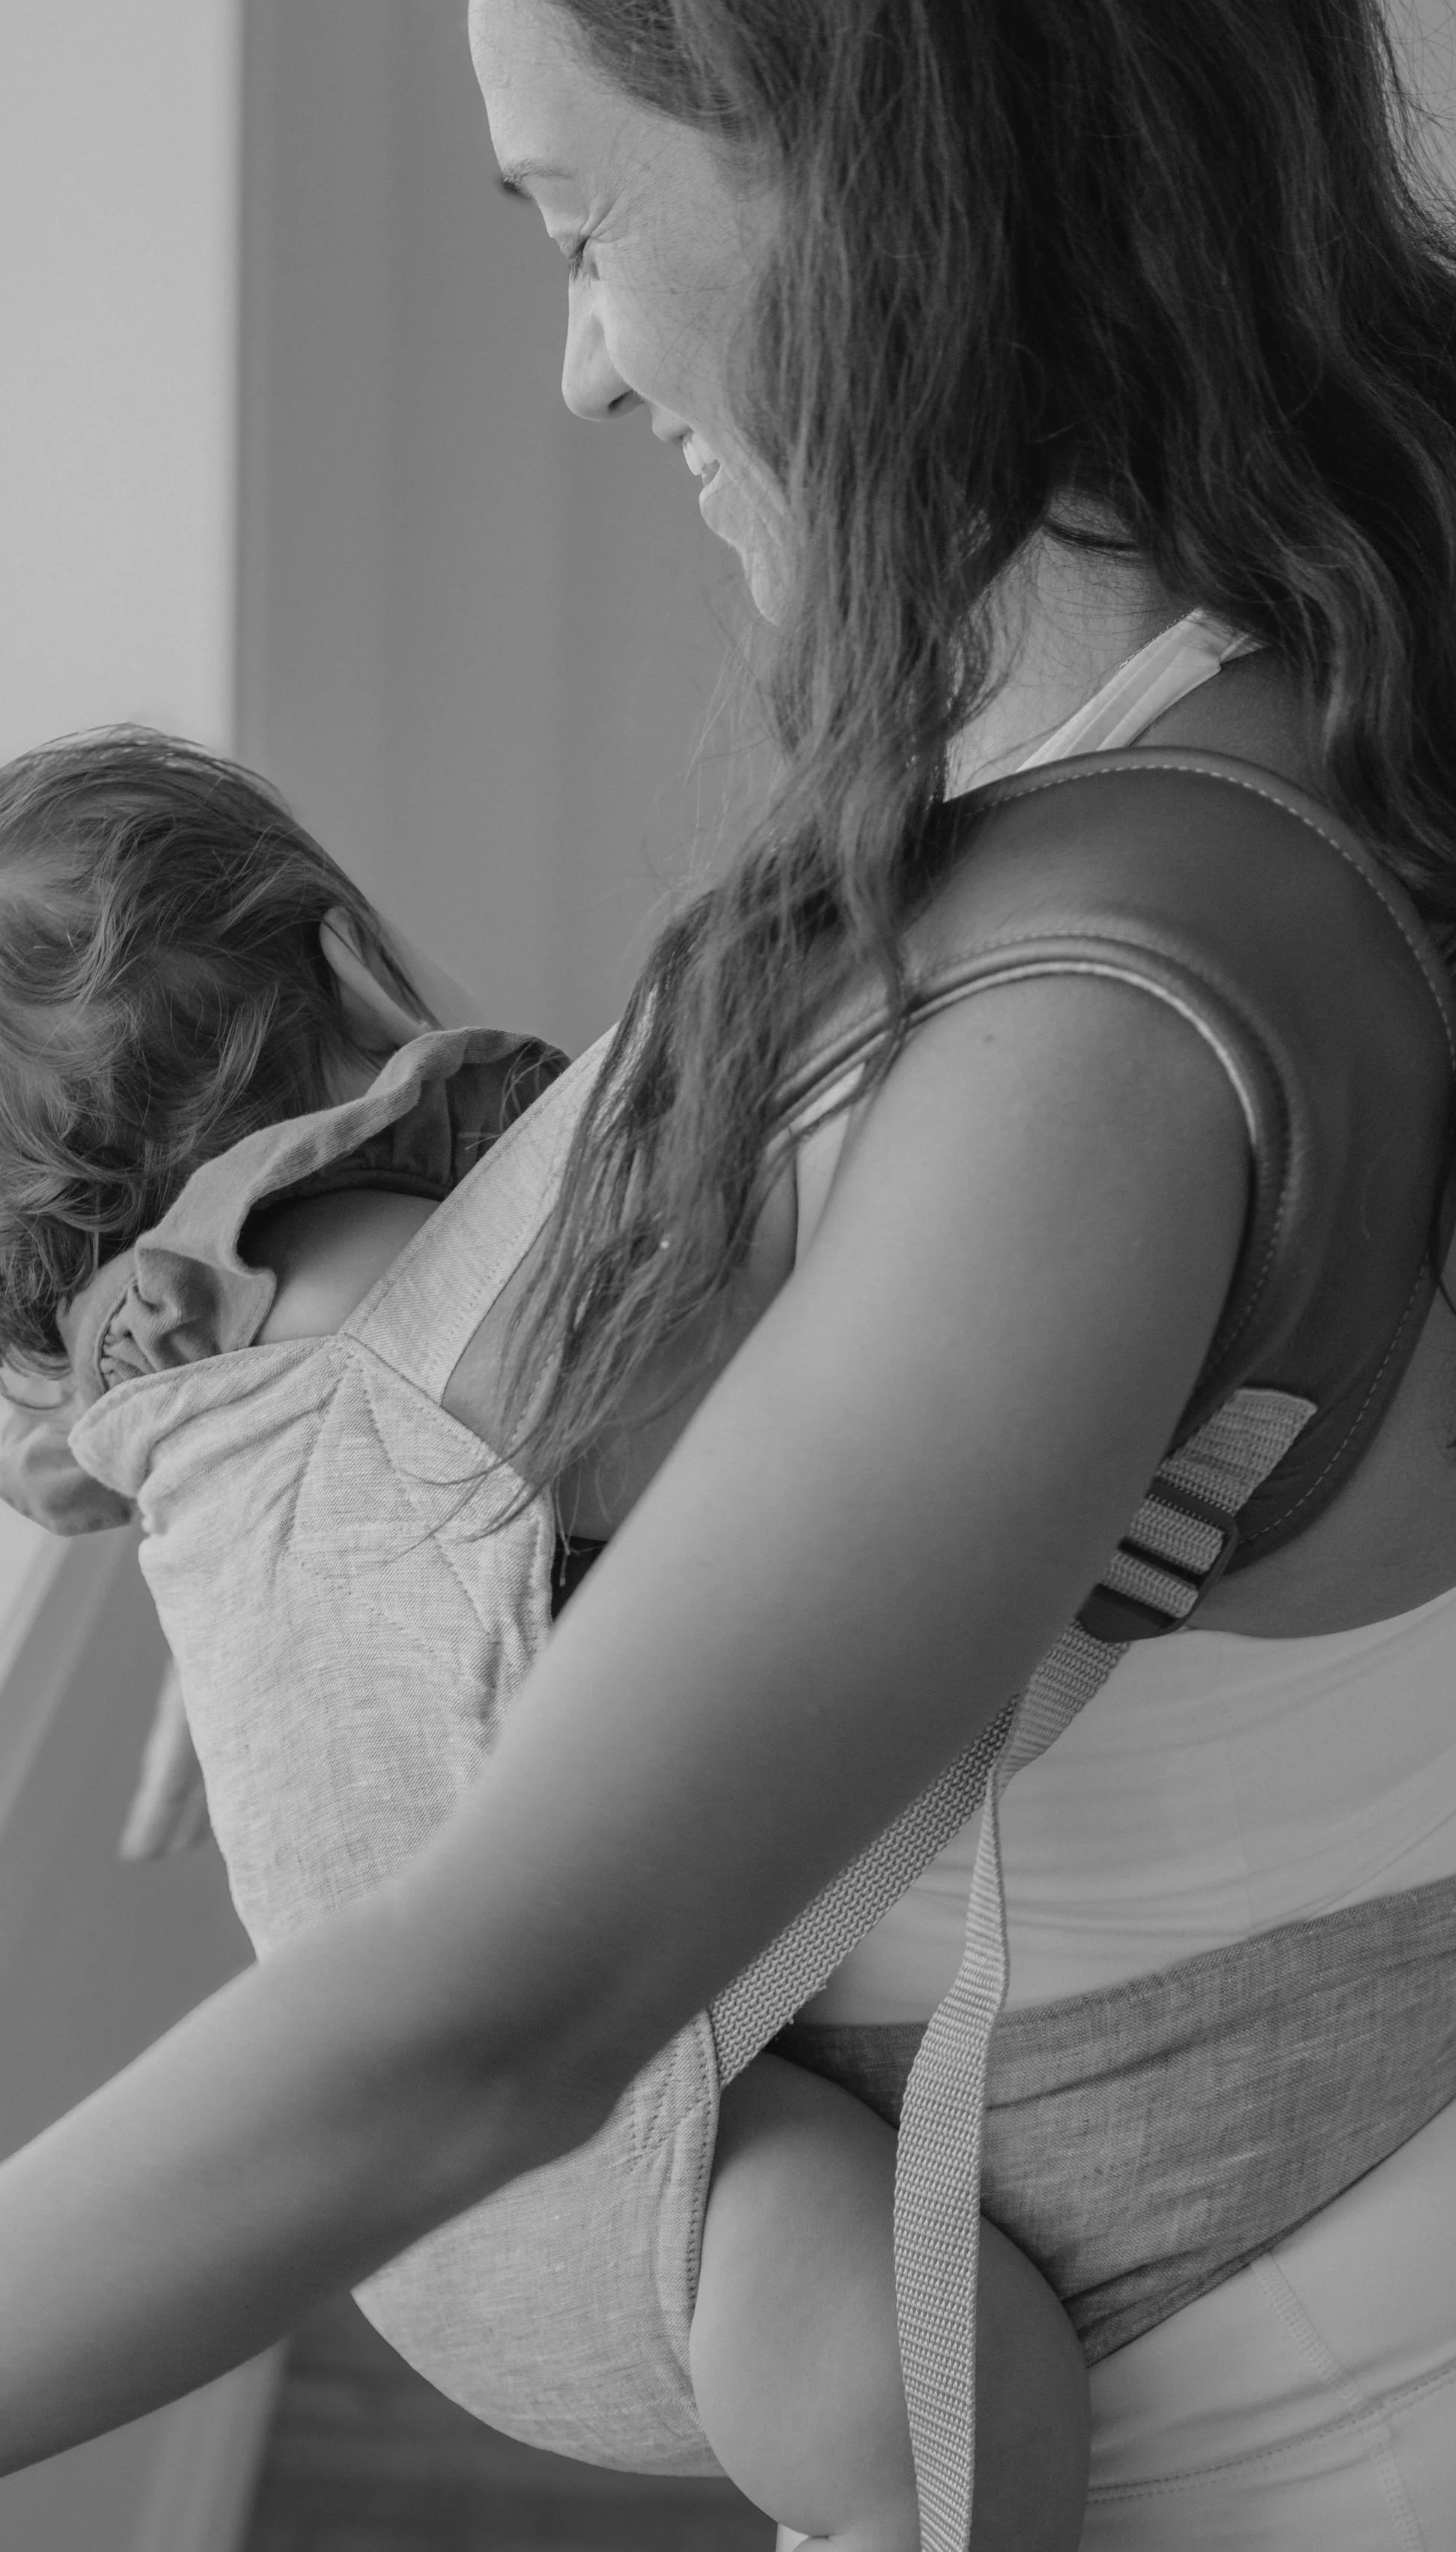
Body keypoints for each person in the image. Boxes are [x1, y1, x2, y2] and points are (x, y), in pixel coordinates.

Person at [0, 0, 1456, 2542]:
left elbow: (493, 2015)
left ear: (880, 167)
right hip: (1423, 2293)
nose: (582, 359)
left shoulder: (1105, 1011)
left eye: (586, 226)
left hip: (1333, 2451)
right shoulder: (1235, 725)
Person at [0, 728, 1090, 2552]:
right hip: (608, 2173)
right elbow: (694, 1439)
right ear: (346, 962)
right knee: (953, 2415)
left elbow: (358, 1535)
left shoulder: (189, 1379)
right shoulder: (433, 1289)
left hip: (403, 2211)